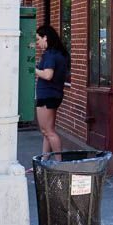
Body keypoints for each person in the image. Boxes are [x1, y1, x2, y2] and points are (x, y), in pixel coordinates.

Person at [35, 24, 69, 155]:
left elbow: (48, 75)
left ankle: (58, 164)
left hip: (47, 95)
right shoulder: (60, 53)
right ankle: (44, 162)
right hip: (54, 94)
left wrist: (33, 69)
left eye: (38, 39)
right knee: (47, 132)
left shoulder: (49, 54)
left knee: (48, 131)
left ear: (46, 38)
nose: (38, 43)